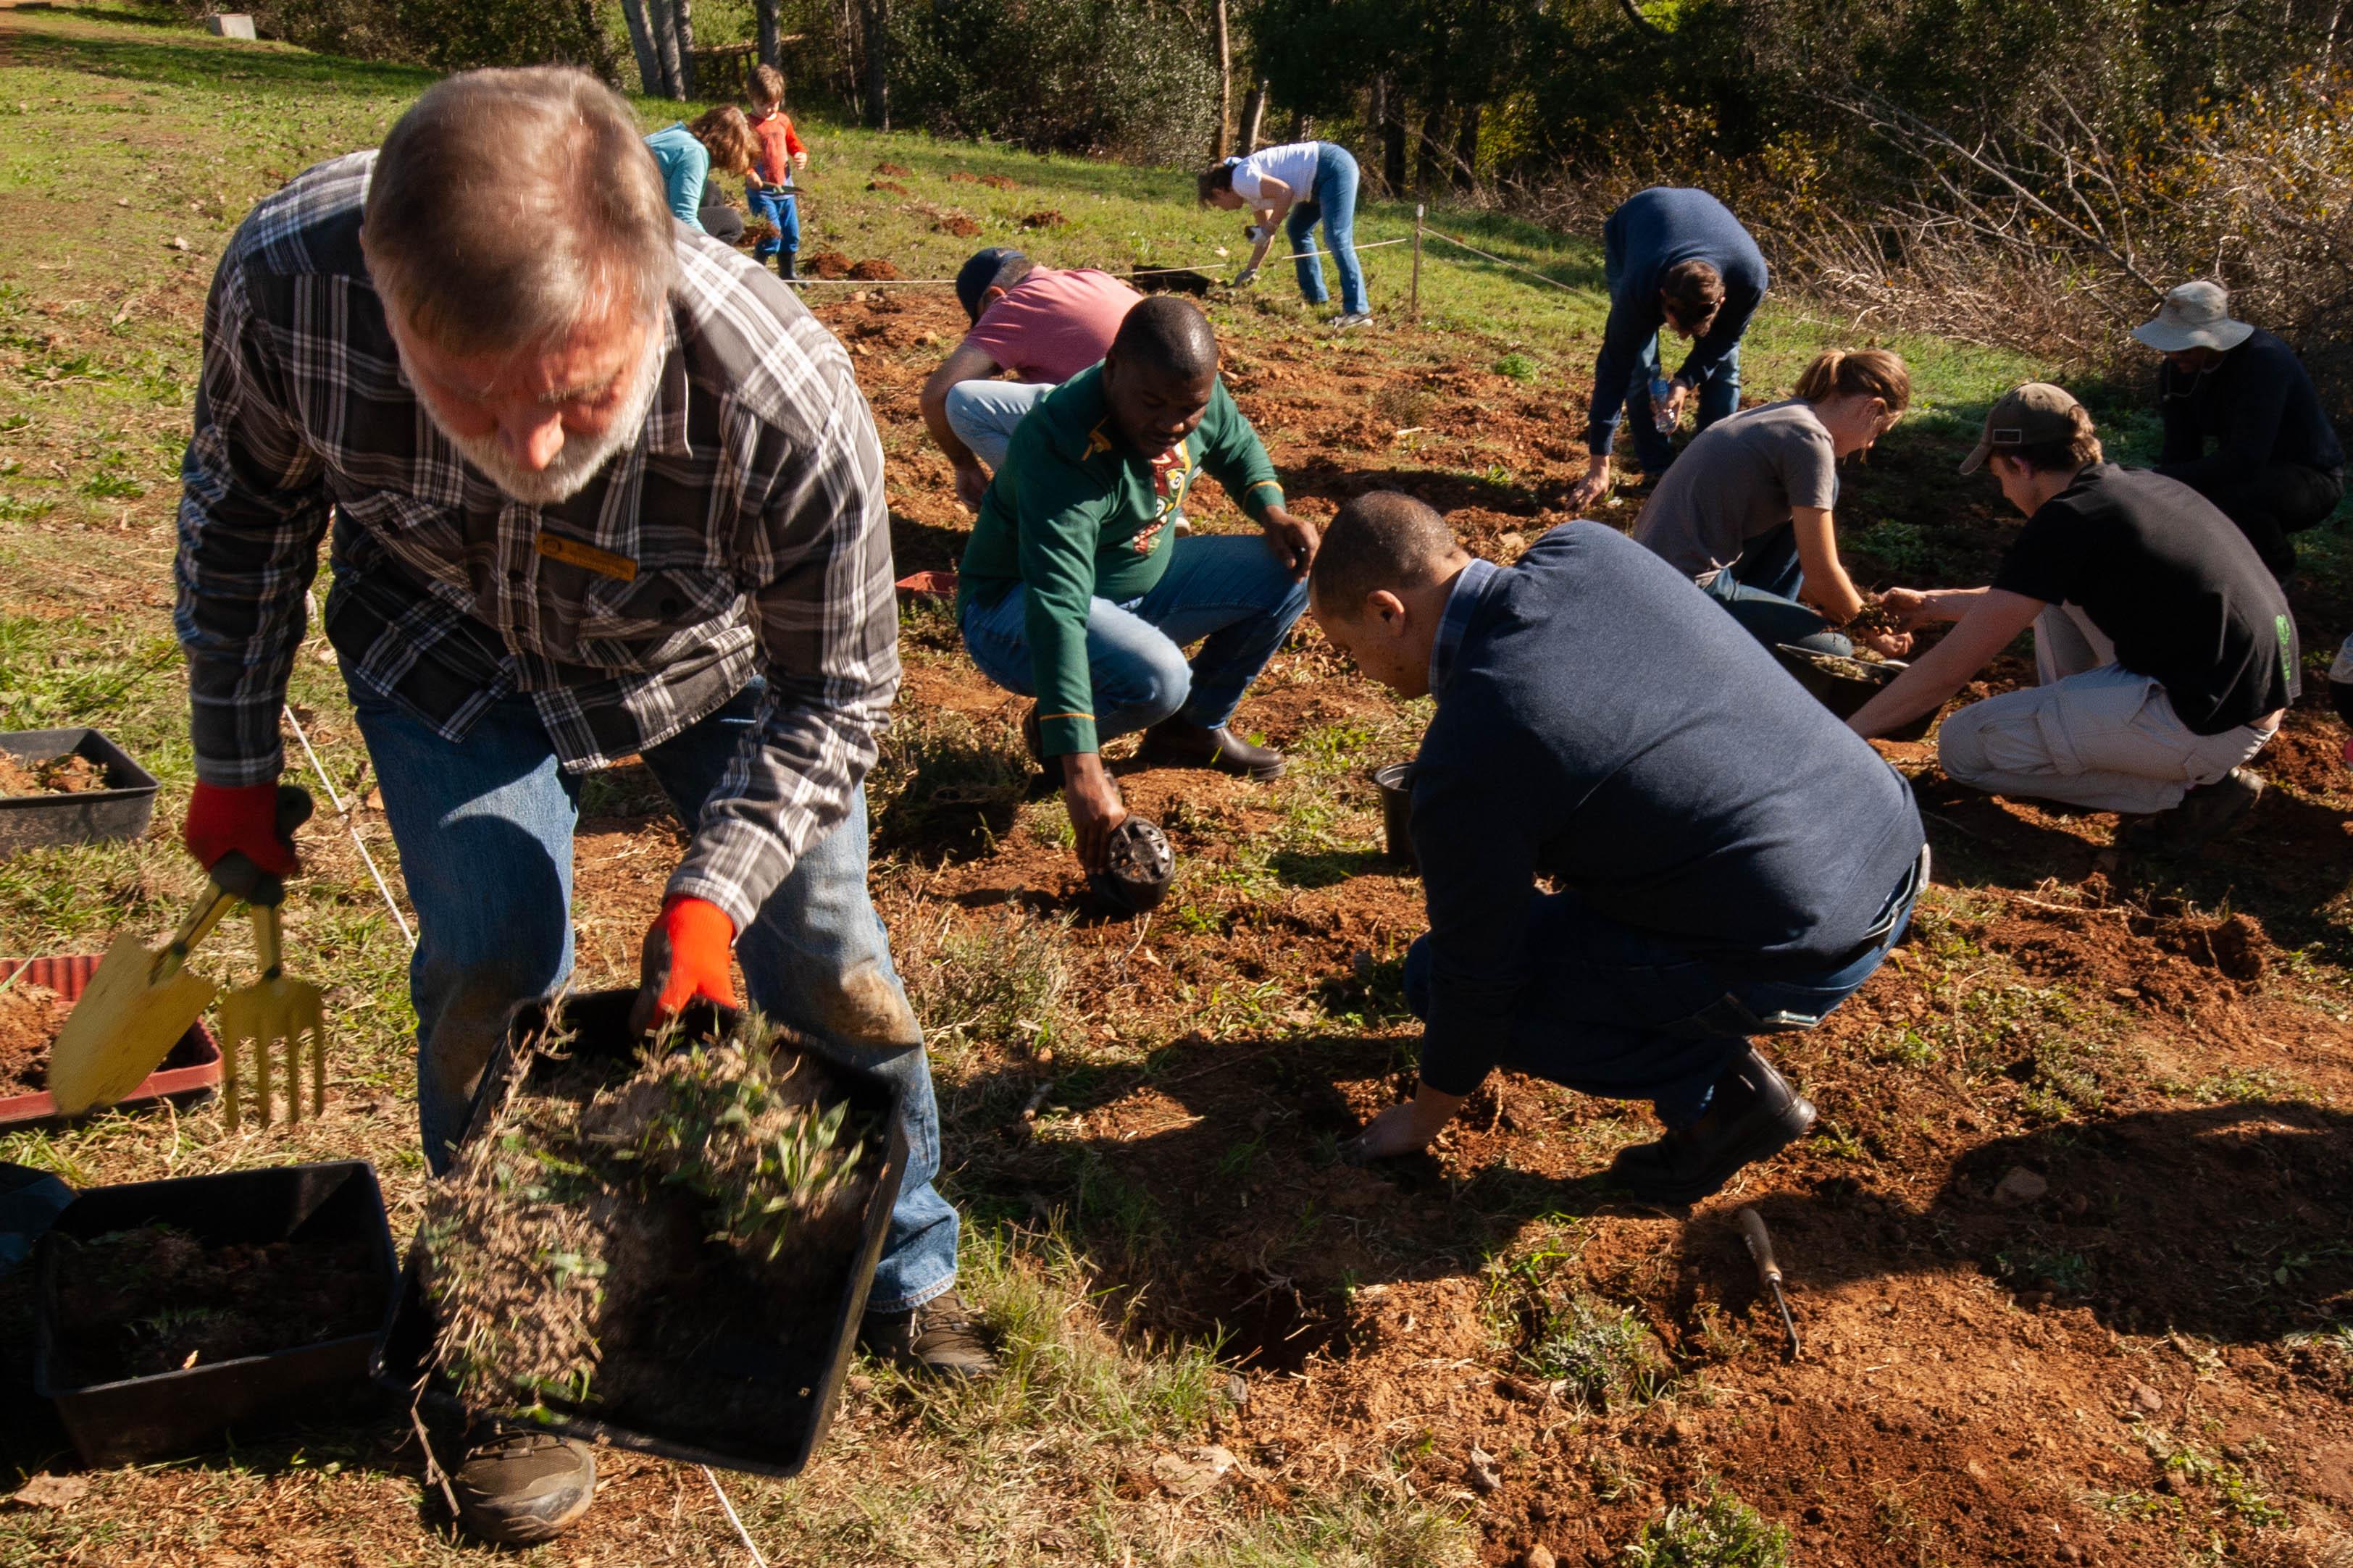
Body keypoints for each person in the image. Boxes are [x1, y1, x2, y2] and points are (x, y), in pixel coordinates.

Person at [175, 67, 990, 1548]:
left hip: (715, 664)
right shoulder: (292, 291)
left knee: (825, 949)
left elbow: (842, 688)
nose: (531, 450)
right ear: (387, 288)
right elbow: (245, 516)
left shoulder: (777, 397)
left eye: (577, 393)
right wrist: (232, 758)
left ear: (652, 279)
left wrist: (711, 888)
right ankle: (509, 1340)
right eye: (467, 392)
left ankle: (906, 1258)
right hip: (442, 642)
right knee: (492, 947)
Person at [1311, 493, 1925, 1202]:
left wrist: (1421, 1117)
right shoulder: (1584, 548)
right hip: (1885, 833)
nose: (1359, 669)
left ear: (1388, 610)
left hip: (1802, 943)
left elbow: (1476, 976)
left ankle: (1727, 1098)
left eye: (1347, 647)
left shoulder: (1471, 749)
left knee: (1429, 978)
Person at [1847, 384, 2297, 857]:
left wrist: (1847, 734)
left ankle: (2190, 793)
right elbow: (2020, 597)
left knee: (1963, 744)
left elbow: (1947, 671)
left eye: (1999, 473)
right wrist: (1931, 604)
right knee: (2055, 604)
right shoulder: (2132, 488)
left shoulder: (2066, 519)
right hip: (2238, 700)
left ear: (2021, 464)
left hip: (2204, 723)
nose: (2002, 490)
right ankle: (2111, 751)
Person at [956, 298, 1320, 870]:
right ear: (1113, 369)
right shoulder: (1064, 443)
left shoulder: (1186, 389)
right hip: (1011, 609)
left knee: (1291, 568)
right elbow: (1057, 608)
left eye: (1189, 408)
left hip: (1133, 585)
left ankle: (1194, 728)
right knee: (1159, 677)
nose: (1172, 424)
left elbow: (1234, 441)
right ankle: (1059, 727)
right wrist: (1080, 767)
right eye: (1153, 404)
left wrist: (1272, 510)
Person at [1634, 348, 1913, 658]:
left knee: (1826, 488)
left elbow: (1811, 572)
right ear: (1871, 408)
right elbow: (1821, 574)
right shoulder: (1811, 442)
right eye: (1879, 431)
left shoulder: (1789, 414)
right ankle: (1749, 656)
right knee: (1834, 650)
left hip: (1650, 566)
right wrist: (1873, 629)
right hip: (1682, 589)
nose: (1870, 444)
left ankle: (1755, 635)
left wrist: (1842, 604)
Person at [1566, 187, 1769, 511]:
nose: (1683, 339)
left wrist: (1684, 382)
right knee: (1639, 369)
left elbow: (1724, 338)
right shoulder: (1640, 288)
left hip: (1715, 238)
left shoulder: (1750, 279)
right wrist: (1598, 467)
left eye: (1693, 331)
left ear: (1722, 302)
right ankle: (1657, 470)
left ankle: (1710, 468)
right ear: (1662, 297)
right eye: (1676, 325)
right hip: (1637, 223)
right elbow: (1611, 371)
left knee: (1724, 372)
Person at [2135, 280, 2346, 581]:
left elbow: (2246, 459)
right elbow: (2180, 452)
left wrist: (2159, 477)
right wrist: (2161, 490)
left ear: (2211, 340)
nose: (2174, 356)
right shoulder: (2176, 372)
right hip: (2251, 470)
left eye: (2183, 347)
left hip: (2311, 478)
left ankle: (2277, 571)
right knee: (2180, 496)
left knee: (2230, 499)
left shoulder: (2263, 361)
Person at [921, 246, 1141, 511]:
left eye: (982, 319)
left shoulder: (1013, 305)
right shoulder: (1093, 278)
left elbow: (936, 395)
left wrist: (964, 466)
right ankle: (1148, 499)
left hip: (1120, 436)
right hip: (1176, 435)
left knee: (964, 403)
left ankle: (1064, 509)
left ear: (993, 298)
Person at [1197, 141, 1372, 329]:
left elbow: (1284, 193)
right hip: (1317, 177)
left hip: (1331, 167)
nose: (1222, 209)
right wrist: (1250, 270)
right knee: (1298, 229)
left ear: (1219, 191)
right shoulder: (1249, 190)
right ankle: (1316, 298)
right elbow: (1266, 234)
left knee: (1337, 237)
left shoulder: (1241, 181)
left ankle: (1358, 311)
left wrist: (1270, 228)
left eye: (1217, 204)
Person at [644, 105, 758, 243]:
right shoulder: (694, 154)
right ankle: (700, 263)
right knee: (732, 222)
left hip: (637, 205)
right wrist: (709, 248)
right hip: (640, 223)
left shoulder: (678, 134)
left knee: (711, 191)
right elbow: (683, 217)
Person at [745, 63, 808, 282]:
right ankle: (755, 278)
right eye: (764, 104)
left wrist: (800, 154)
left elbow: (793, 143)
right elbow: (741, 154)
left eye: (774, 103)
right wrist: (748, 171)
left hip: (786, 190)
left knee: (791, 234)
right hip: (761, 191)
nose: (770, 109)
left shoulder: (783, 120)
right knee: (770, 235)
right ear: (751, 97)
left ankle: (787, 273)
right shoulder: (747, 124)